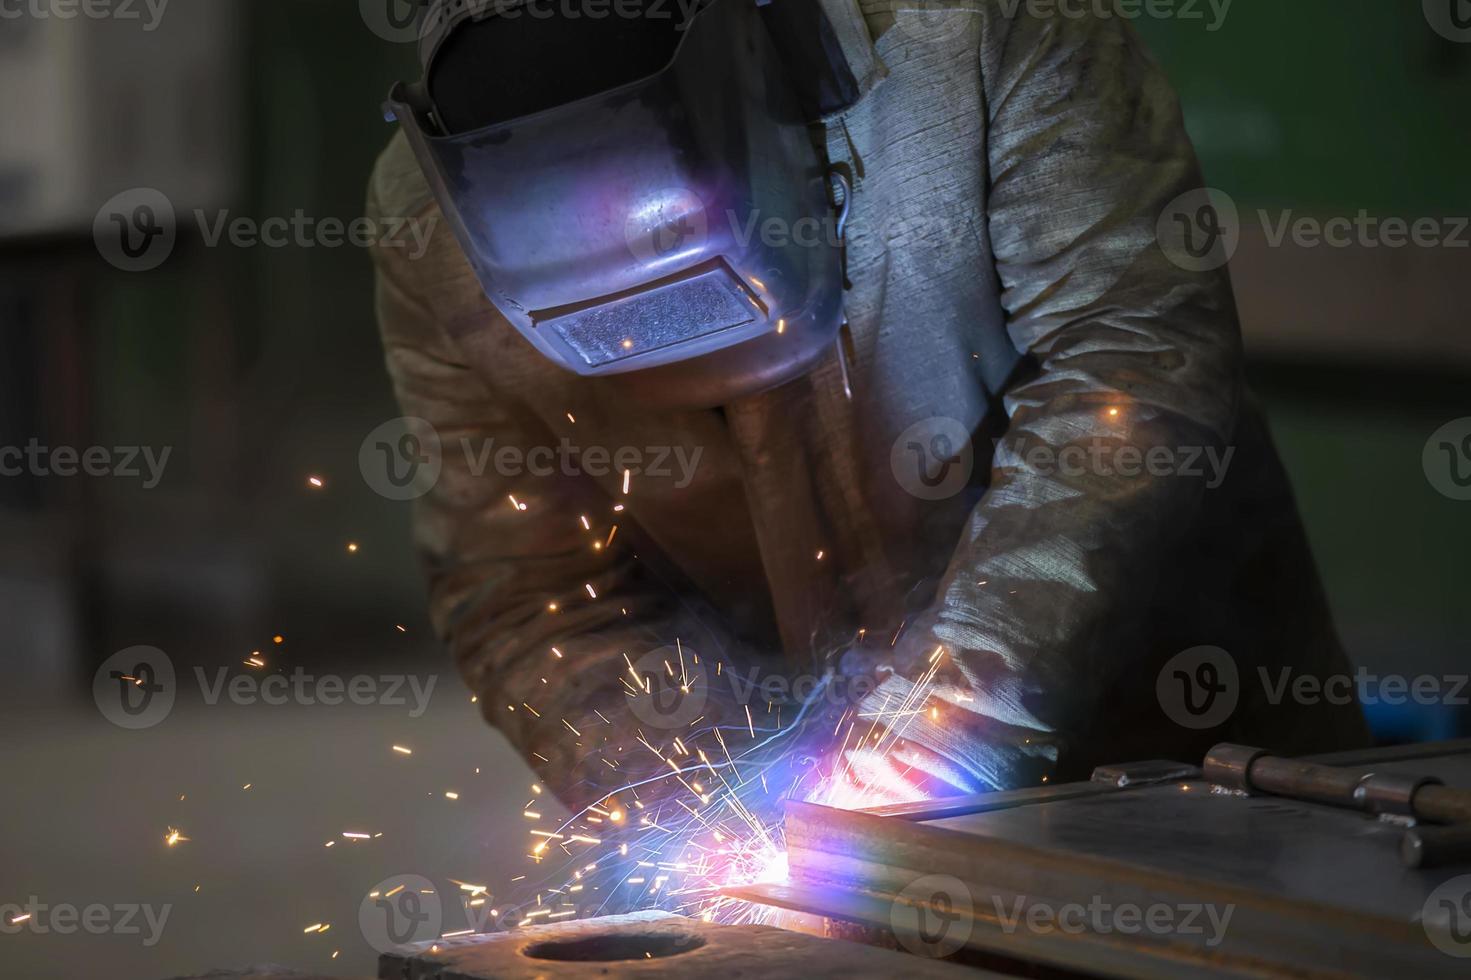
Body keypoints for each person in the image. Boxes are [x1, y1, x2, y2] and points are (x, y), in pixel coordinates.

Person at [367, 0, 1368, 809]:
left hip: (1188, 746)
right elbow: (521, 584)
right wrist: (683, 779)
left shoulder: (976, 33)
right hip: (825, 814)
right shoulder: (428, 229)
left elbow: (1132, 372)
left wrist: (953, 717)